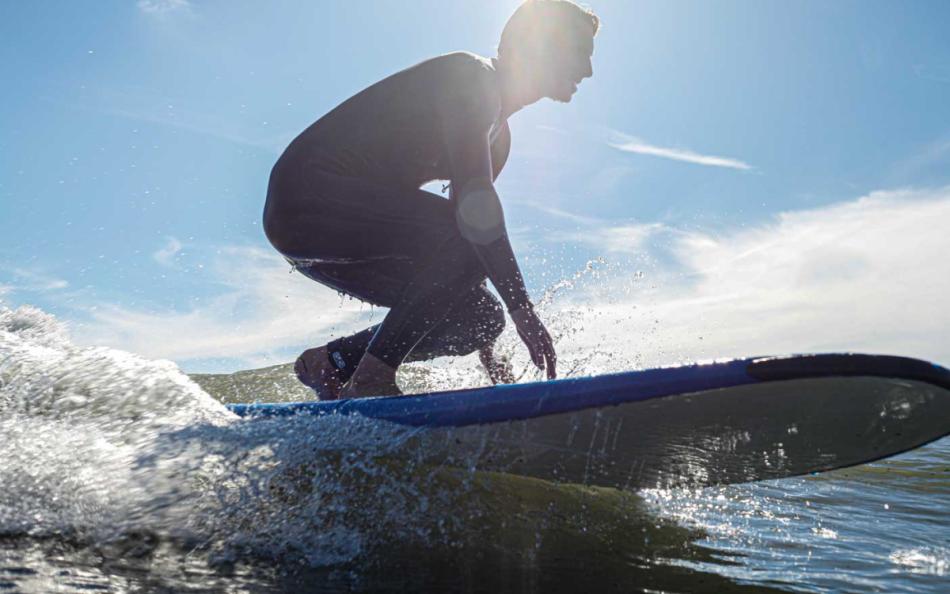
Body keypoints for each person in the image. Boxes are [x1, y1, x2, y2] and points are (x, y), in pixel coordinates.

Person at [263, 0, 599, 398]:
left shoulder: (500, 139)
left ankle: (334, 362)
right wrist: (522, 308)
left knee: (482, 317)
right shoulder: (471, 77)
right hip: (306, 196)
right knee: (469, 240)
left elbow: (465, 248)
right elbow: (474, 218)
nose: (587, 70)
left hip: (331, 233)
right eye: (580, 53)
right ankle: (373, 378)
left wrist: (485, 346)